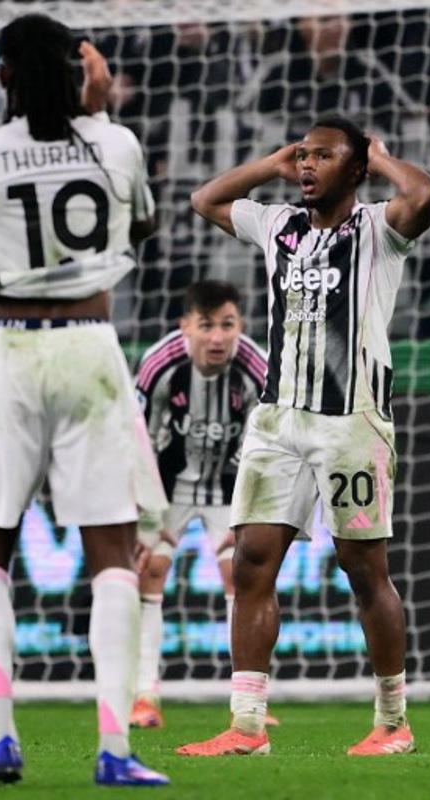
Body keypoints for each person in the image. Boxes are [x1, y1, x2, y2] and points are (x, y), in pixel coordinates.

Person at [0, 14, 170, 787]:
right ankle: (114, 749)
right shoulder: (114, 143)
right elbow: (141, 225)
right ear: (83, 71)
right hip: (89, 347)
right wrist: (102, 113)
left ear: (4, 79)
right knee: (112, 554)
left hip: (11, 351)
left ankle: (0, 739)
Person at [177, 116, 430, 757]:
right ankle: (246, 726)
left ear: (354, 170)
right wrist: (270, 165)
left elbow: (428, 196)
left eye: (322, 157)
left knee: (362, 568)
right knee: (250, 564)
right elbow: (204, 200)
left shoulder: (379, 230)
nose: (306, 166)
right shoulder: (277, 226)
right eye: (303, 156)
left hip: (351, 423)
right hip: (278, 420)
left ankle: (392, 720)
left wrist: (379, 156)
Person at [130, 280, 272, 729]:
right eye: (206, 326)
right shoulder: (158, 365)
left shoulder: (258, 368)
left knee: (243, 576)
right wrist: (148, 516)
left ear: (241, 325)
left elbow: (268, 447)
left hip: (228, 489)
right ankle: (144, 696)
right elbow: (134, 443)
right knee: (150, 570)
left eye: (227, 325)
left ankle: (248, 702)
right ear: (185, 326)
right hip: (166, 488)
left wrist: (246, 515)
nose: (217, 337)